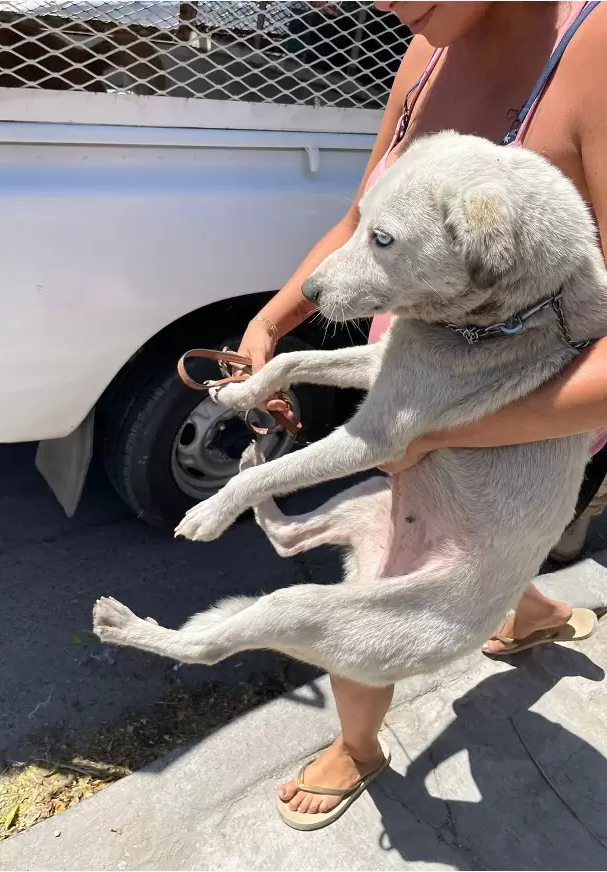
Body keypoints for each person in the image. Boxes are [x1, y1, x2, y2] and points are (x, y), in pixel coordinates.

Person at [234, 2, 607, 826]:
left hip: (528, 403)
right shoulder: (427, 51)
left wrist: (436, 431)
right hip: (414, 376)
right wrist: (272, 323)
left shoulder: (598, 53)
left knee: (387, 577)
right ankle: (529, 608)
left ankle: (359, 748)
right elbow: (358, 223)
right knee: (483, 538)